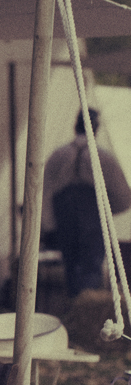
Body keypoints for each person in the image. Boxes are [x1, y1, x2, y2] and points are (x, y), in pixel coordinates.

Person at [42, 108, 131, 297]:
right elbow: (124, 197)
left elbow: (45, 193)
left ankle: (80, 307)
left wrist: (50, 226)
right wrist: (105, 211)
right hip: (90, 216)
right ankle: (83, 309)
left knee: (73, 265)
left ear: (76, 126)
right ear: (96, 128)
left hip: (68, 216)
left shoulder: (58, 155)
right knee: (89, 265)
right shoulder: (104, 158)